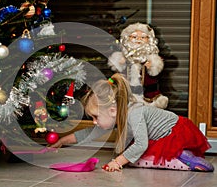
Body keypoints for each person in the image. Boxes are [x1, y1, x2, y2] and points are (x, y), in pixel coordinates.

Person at [50, 73, 214, 172]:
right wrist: (62, 141)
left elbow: (141, 144)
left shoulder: (134, 114)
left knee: (135, 159)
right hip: (167, 133)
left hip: (174, 133)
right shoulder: (117, 115)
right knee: (131, 156)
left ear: (112, 111)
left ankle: (183, 159)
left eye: (95, 117)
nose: (94, 123)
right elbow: (88, 134)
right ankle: (180, 156)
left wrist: (117, 162)